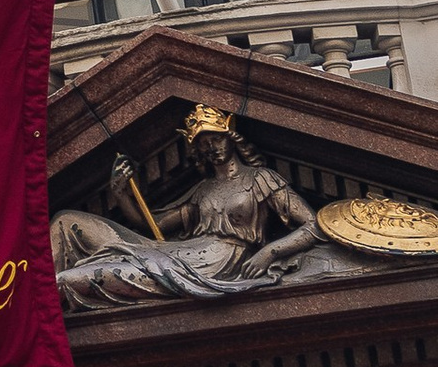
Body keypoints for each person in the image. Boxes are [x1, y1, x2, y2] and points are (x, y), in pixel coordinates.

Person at [50, 101, 345, 305]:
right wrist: (121, 194)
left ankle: (34, 315)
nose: (211, 148)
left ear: (230, 137)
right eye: (203, 144)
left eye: (216, 139)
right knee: (65, 220)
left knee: (66, 281)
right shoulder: (202, 190)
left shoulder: (261, 179)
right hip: (176, 253)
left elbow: (314, 225)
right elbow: (153, 225)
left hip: (213, 264)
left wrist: (269, 251)